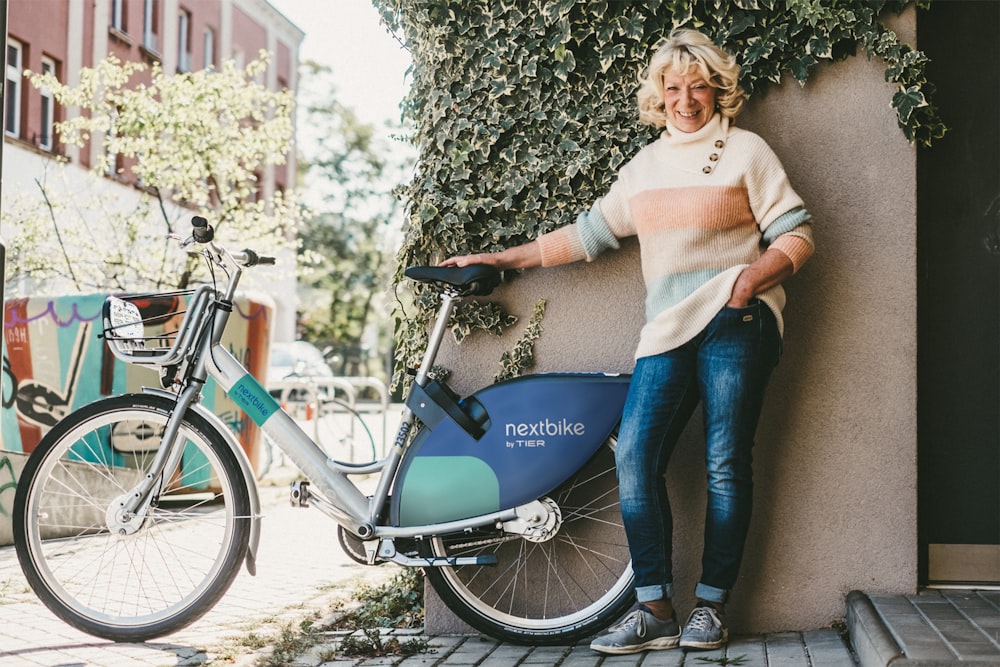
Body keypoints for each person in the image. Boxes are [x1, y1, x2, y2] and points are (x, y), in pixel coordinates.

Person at [441, 28, 814, 654]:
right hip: (667, 329)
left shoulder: (746, 151)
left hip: (734, 324)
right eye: (674, 88)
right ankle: (654, 609)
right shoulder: (643, 169)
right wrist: (499, 258)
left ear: (717, 91)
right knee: (634, 458)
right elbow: (586, 236)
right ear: (659, 95)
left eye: (699, 87)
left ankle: (712, 609)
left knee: (725, 465)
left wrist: (747, 284)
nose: (686, 99)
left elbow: (797, 235)